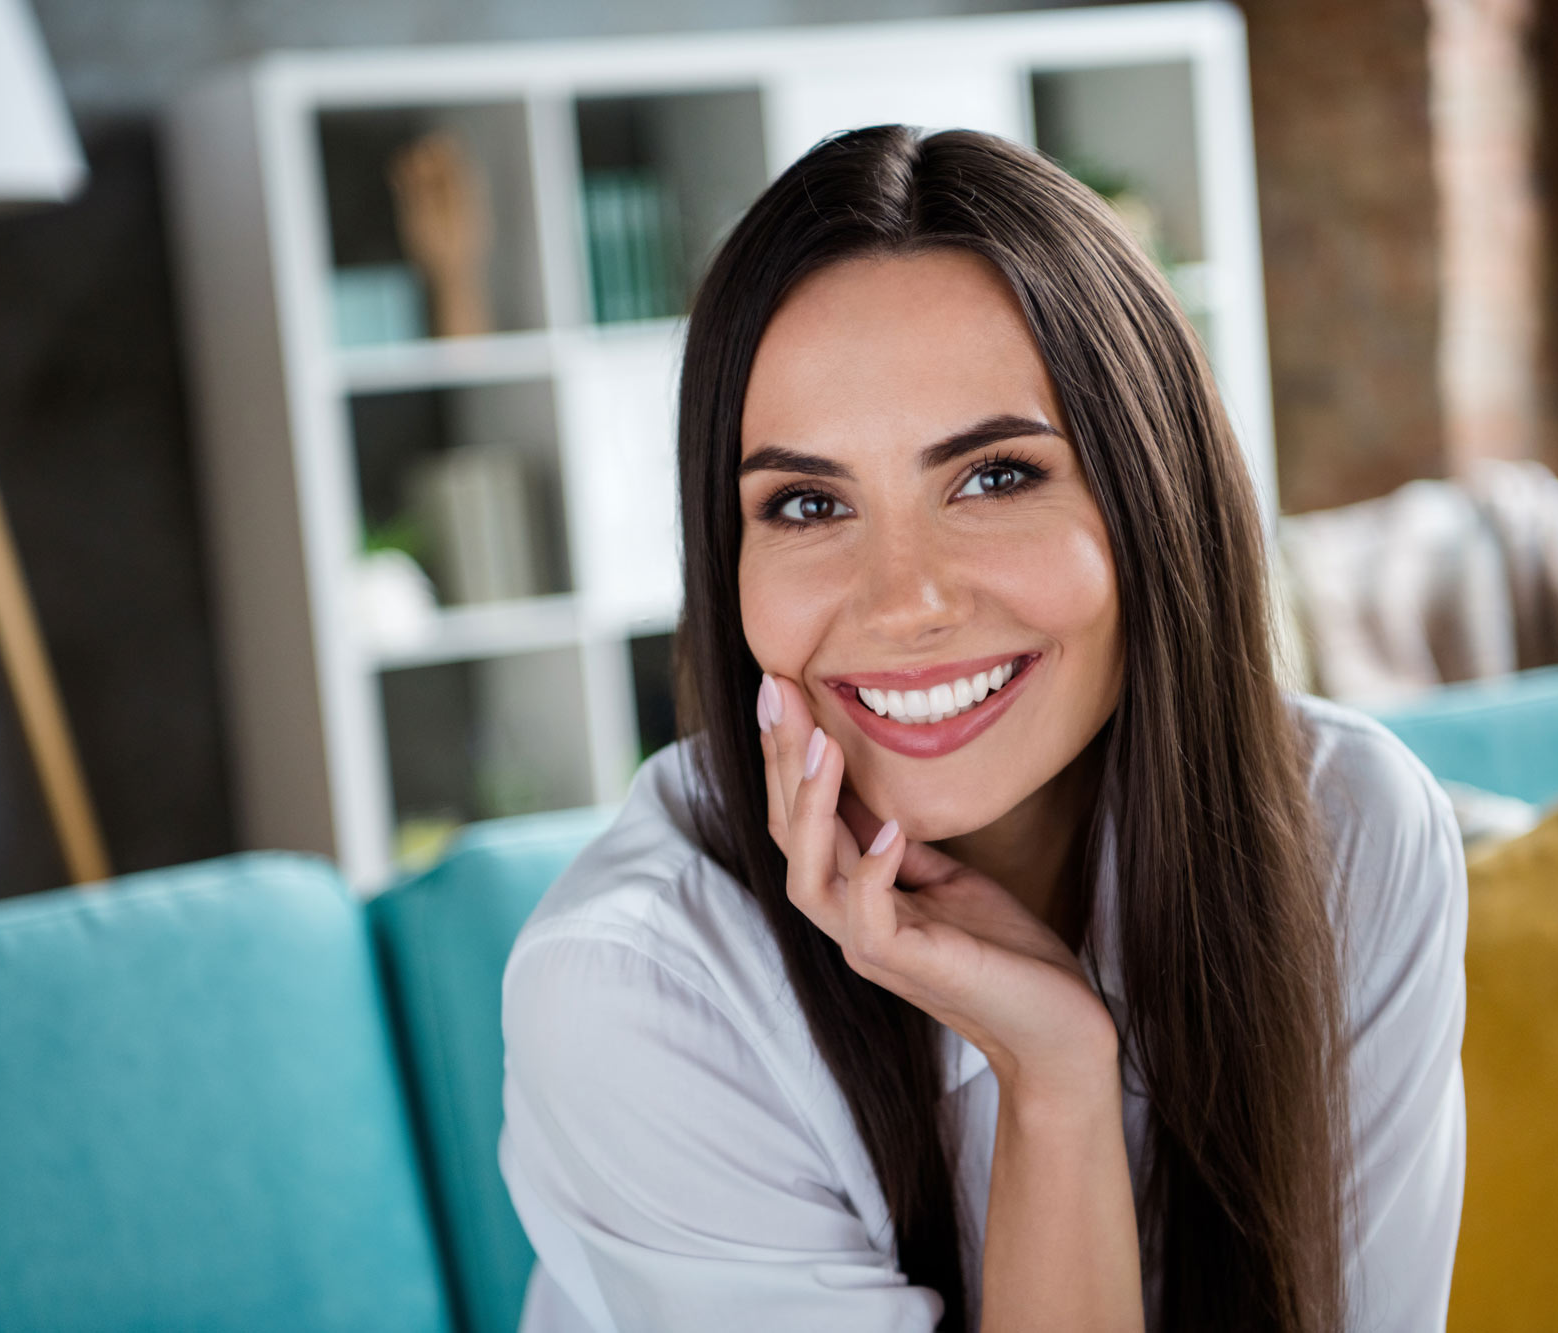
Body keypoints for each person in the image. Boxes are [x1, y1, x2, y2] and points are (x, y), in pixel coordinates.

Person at [498, 125, 1466, 1333]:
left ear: (1153, 495)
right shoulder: (638, 993)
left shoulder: (1350, 831)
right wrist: (1052, 1076)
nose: (904, 599)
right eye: (806, 503)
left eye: (994, 477)